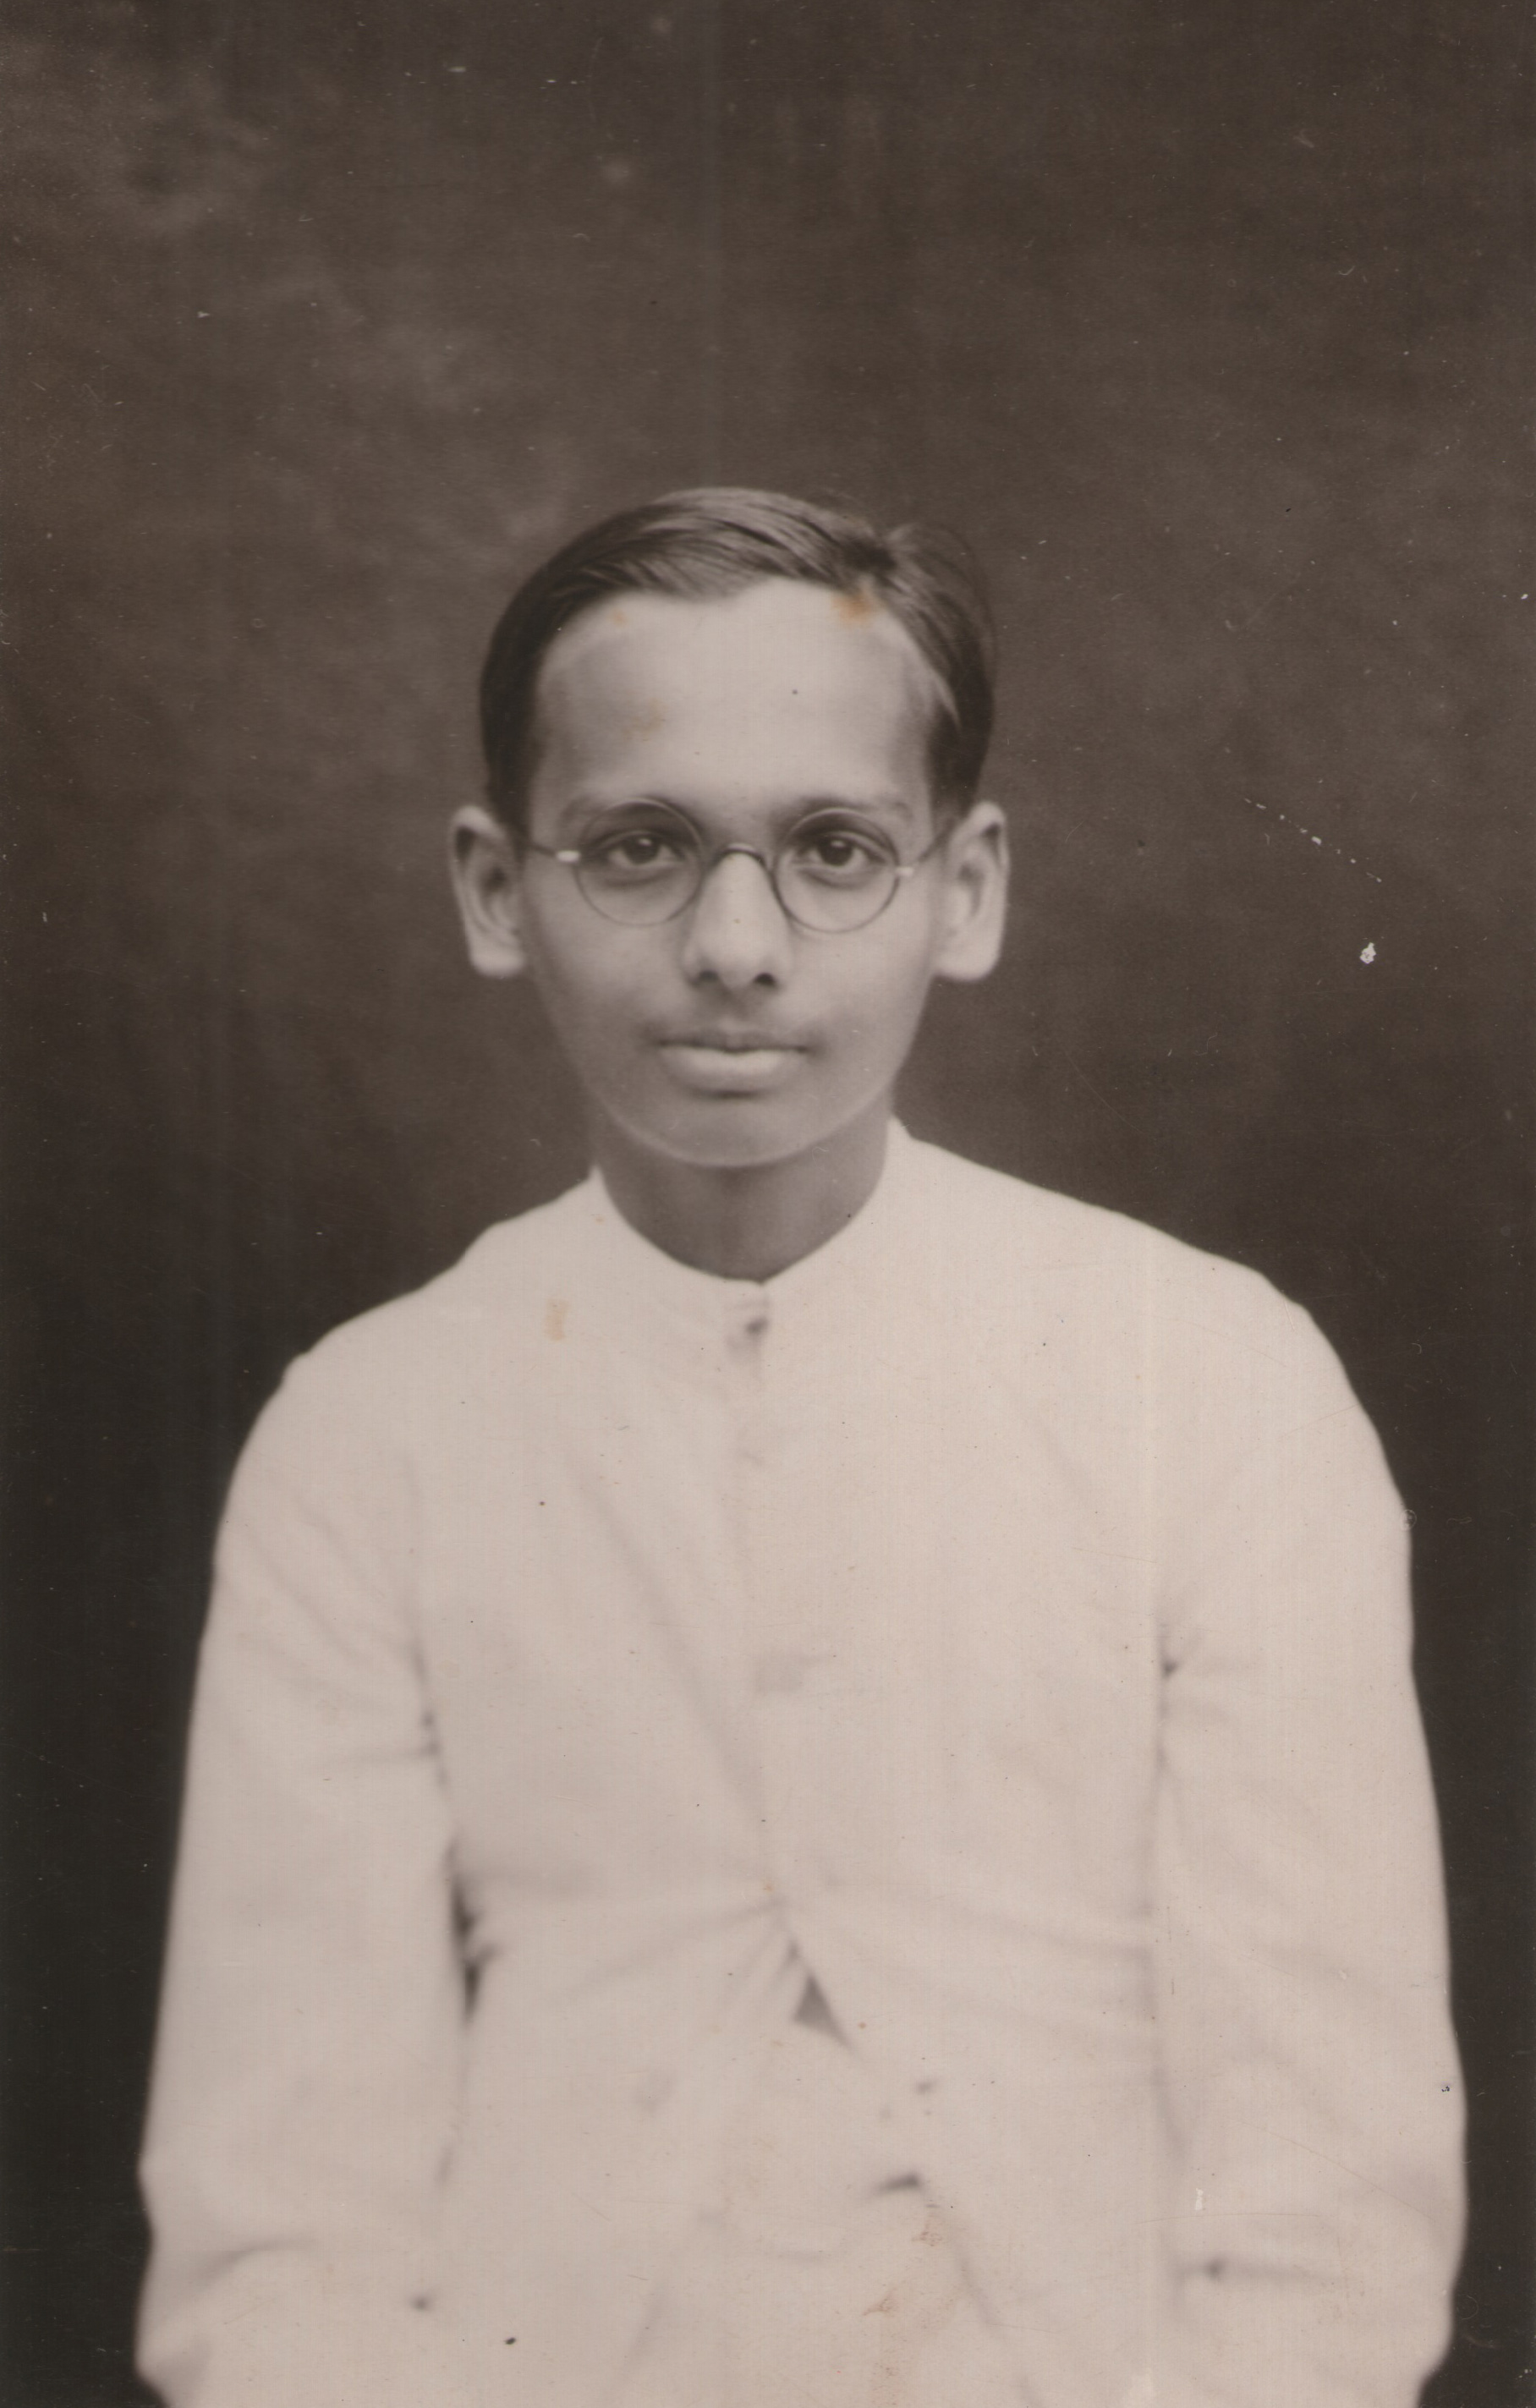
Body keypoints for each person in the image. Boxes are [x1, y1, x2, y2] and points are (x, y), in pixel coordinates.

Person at [137, 488, 1464, 2408]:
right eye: (640, 847)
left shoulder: (1211, 1382)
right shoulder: (369, 1432)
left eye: (835, 849)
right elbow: (280, 2241)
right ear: (496, 889)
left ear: (966, 886)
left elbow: (1326, 2208)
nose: (736, 945)